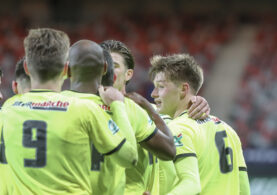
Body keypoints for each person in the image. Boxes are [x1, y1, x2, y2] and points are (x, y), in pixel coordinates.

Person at [0, 28, 137, 194]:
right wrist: (118, 106)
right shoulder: (84, 109)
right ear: (67, 70)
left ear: (27, 68)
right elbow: (129, 158)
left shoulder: (8, 110)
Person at [62, 39, 176, 195]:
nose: (110, 70)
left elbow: (169, 155)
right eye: (107, 64)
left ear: (128, 74)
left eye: (115, 66)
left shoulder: (141, 109)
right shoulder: (134, 110)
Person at [147, 53, 250, 195]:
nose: (153, 93)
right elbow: (243, 188)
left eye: (160, 86)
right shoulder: (228, 130)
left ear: (183, 89)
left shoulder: (178, 129)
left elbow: (190, 185)